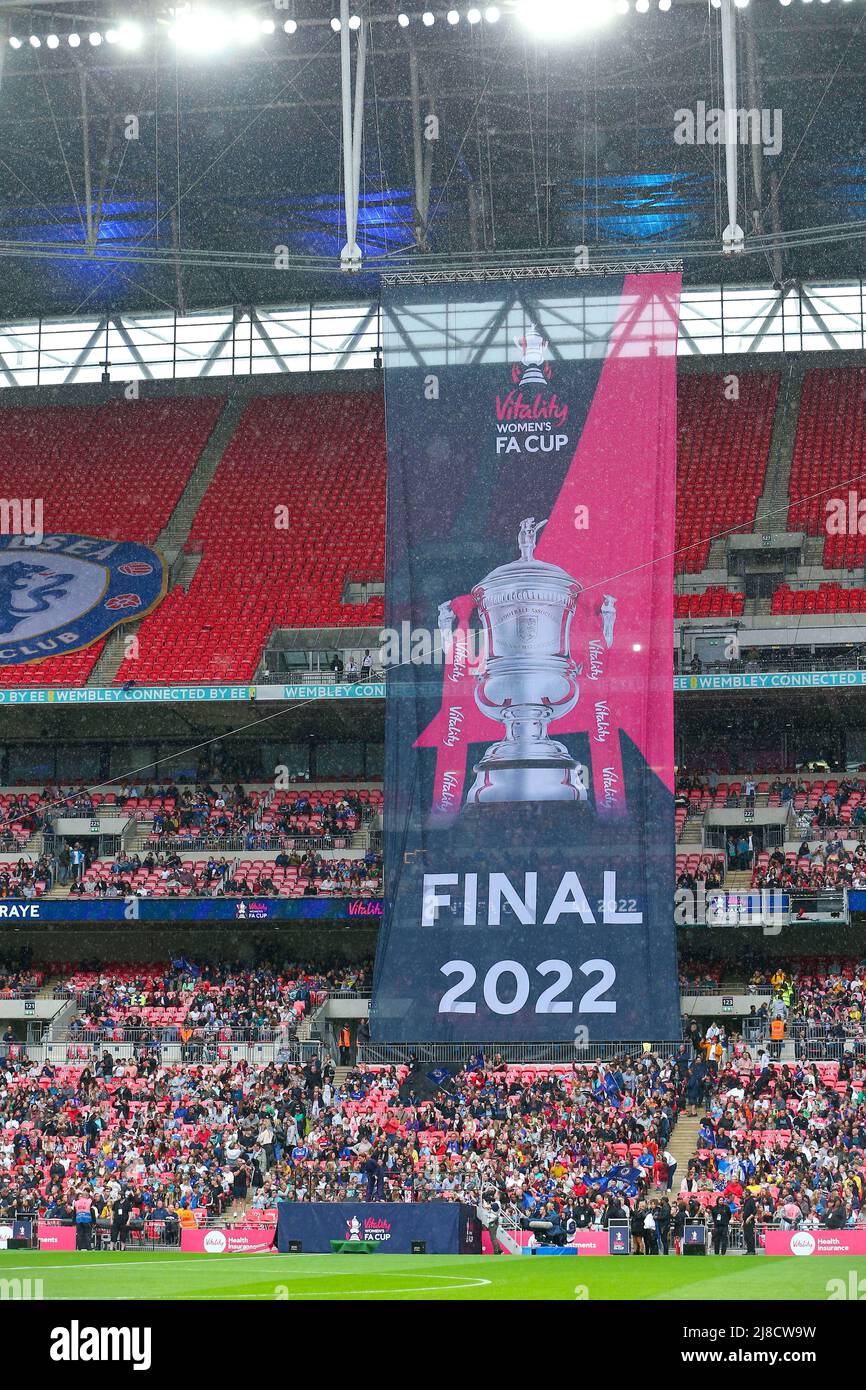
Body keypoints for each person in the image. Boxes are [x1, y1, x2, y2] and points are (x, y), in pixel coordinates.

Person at [741, 1189, 757, 1256]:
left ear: (747, 1193)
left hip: (750, 1221)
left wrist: (749, 1218)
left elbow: (754, 1211)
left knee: (750, 1236)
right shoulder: (746, 1201)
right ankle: (748, 1250)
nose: (742, 1194)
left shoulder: (751, 1200)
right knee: (746, 1236)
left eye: (744, 1193)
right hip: (745, 1221)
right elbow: (744, 1212)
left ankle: (752, 1251)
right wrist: (743, 1221)